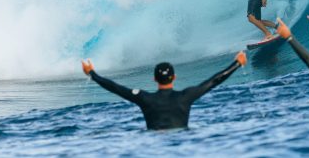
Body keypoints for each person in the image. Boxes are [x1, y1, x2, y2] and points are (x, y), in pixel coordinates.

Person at [81, 51, 247, 130]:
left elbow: (116, 88)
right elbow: (213, 81)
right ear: (174, 77)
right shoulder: (186, 96)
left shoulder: (145, 99)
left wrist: (92, 74)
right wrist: (237, 63)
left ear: (154, 79)